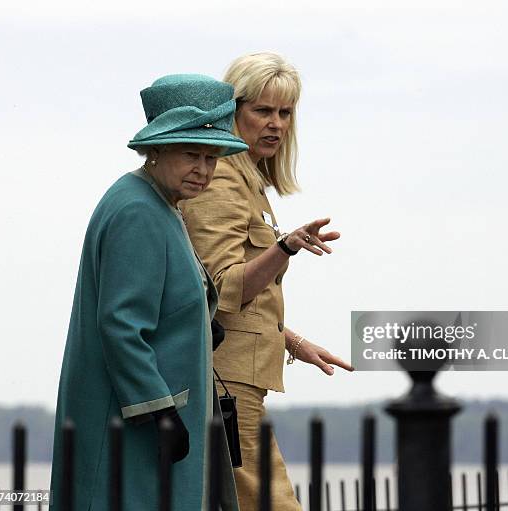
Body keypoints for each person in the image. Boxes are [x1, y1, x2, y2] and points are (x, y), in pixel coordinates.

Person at [49, 74, 249, 511]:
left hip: (154, 416)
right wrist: (159, 413)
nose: (204, 169)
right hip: (135, 424)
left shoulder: (157, 202)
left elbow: (162, 295)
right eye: (191, 154)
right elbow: (121, 324)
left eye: (212, 157)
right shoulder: (139, 209)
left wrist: (200, 321)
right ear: (155, 150)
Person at [179, 53, 354, 511]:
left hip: (242, 377)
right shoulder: (220, 180)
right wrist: (287, 247)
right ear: (232, 112)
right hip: (226, 379)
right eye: (262, 110)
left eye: (285, 112)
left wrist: (292, 341)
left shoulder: (247, 180)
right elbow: (222, 288)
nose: (276, 124)